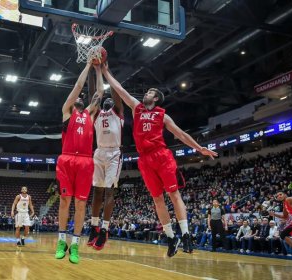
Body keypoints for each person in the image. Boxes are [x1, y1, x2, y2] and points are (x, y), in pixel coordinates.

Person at [101, 63, 218, 257]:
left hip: (161, 156)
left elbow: (180, 134)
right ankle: (172, 237)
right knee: (157, 199)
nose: (145, 94)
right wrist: (106, 71)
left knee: (174, 195)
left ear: (155, 98)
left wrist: (199, 148)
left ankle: (187, 234)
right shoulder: (136, 108)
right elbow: (120, 90)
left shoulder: (163, 115)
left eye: (149, 92)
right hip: (145, 159)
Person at [55, 60, 104, 264]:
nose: (80, 98)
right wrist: (86, 66)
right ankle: (60, 242)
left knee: (81, 203)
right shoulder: (67, 110)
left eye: (82, 98)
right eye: (78, 98)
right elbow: (77, 87)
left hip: (85, 161)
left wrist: (98, 69)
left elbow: (100, 92)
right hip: (66, 159)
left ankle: (74, 245)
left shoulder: (90, 114)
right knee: (65, 201)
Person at [87, 85, 124, 250]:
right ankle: (94, 226)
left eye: (111, 98)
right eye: (105, 98)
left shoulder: (118, 112)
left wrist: (109, 76)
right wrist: (94, 68)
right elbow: (92, 94)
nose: (109, 99)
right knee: (97, 191)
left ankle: (104, 229)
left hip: (114, 154)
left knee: (109, 191)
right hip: (99, 152)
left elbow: (117, 96)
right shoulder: (96, 114)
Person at [270, 191, 292, 263]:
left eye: (280, 194)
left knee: (283, 234)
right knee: (283, 235)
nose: (279, 196)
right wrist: (274, 214)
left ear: (285, 195)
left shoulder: (288, 199)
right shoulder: (284, 204)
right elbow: (285, 217)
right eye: (277, 196)